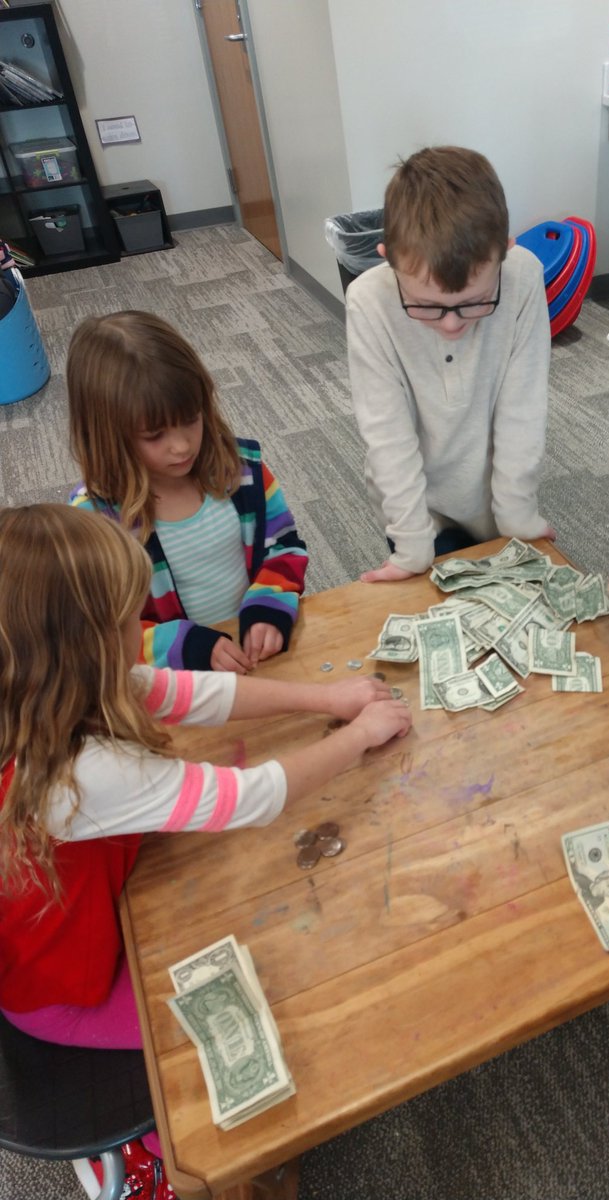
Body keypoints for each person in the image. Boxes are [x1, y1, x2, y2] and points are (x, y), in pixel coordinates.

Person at [0, 504, 411, 1199]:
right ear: (86, 643)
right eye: (130, 620)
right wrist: (357, 736)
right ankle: (152, 1154)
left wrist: (327, 696)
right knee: (252, 1026)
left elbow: (196, 693)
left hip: (95, 915)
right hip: (62, 988)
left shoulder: (61, 691)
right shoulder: (81, 772)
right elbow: (249, 798)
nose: (143, 632)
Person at [345, 145, 554, 583]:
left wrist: (516, 513)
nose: (453, 324)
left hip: (494, 502)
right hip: (417, 508)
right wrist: (411, 544)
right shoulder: (369, 301)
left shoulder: (524, 277)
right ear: (389, 257)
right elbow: (387, 434)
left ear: (505, 251)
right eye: (427, 306)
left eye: (476, 302)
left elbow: (523, 408)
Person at [68, 310, 308, 674]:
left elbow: (284, 547)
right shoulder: (94, 520)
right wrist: (185, 646)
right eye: (155, 435)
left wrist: (268, 608)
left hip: (254, 661)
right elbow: (97, 630)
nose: (181, 447)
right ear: (108, 436)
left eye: (191, 420)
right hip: (169, 684)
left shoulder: (241, 469)